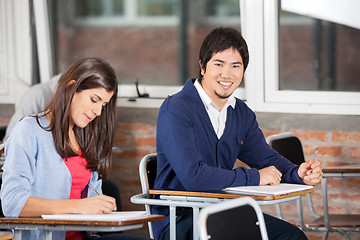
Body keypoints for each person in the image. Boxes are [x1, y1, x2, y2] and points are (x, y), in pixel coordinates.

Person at [153, 27, 323, 240]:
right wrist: (255, 177)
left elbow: (265, 158)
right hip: (180, 219)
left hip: (221, 211)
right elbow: (193, 177)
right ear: (202, 67)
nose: (227, 74)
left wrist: (296, 172)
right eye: (218, 64)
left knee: (291, 236)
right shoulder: (176, 109)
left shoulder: (241, 113)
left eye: (236, 66)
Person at [0, 57, 149, 240]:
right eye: (94, 100)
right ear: (71, 87)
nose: (98, 112)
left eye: (103, 105)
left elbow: (91, 199)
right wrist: (80, 206)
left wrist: (102, 208)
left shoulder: (85, 136)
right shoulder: (29, 131)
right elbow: (12, 203)